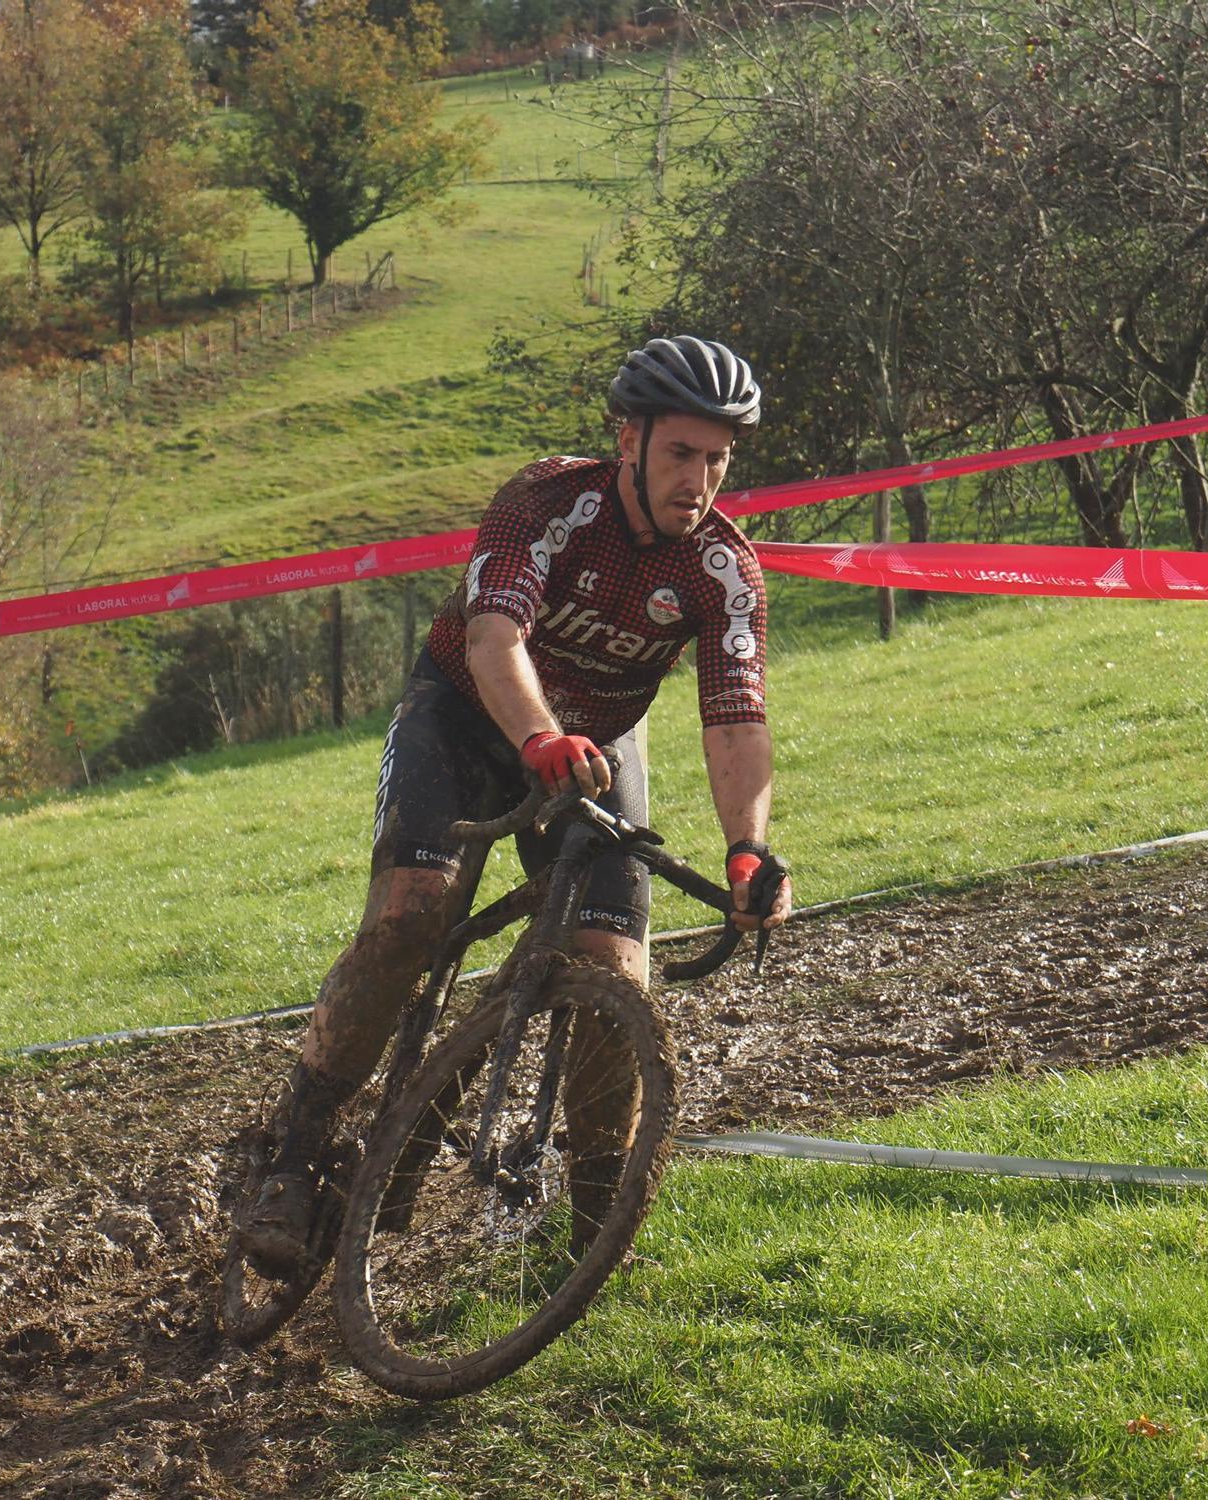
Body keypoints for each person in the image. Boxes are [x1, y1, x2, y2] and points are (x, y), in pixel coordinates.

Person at [234, 335, 794, 1273]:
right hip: (468, 717)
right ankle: (291, 1154)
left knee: (616, 969)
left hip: (597, 747)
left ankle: (591, 1223)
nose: (698, 480)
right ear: (629, 437)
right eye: (680, 454)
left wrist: (748, 850)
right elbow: (496, 638)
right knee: (411, 917)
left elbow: (737, 720)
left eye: (718, 459)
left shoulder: (725, 570)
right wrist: (537, 738)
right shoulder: (546, 503)